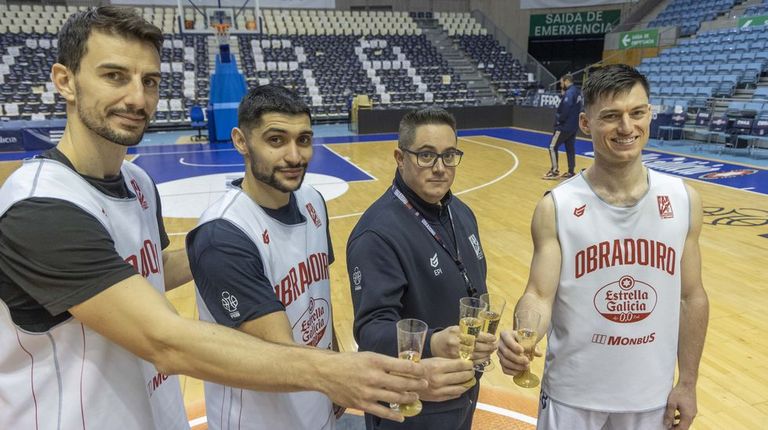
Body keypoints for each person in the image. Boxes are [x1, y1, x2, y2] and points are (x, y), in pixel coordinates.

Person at [0, 7, 425, 430]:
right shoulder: (41, 207)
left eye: (149, 81)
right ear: (65, 81)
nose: (137, 98)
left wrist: (233, 238)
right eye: (114, 76)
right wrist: (333, 372)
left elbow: (149, 270)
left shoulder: (137, 182)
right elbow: (165, 340)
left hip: (155, 414)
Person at [498, 64, 709, 430]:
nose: (627, 127)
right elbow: (539, 295)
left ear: (649, 114)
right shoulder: (557, 207)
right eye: (611, 116)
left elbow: (692, 297)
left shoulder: (683, 200)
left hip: (651, 396)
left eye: (637, 113)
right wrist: (523, 336)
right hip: (572, 394)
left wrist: (688, 383)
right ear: (585, 123)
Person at [186, 85, 341, 429]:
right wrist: (348, 377)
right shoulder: (223, 234)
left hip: (316, 394)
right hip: (261, 418)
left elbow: (319, 297)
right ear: (241, 141)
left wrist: (336, 357)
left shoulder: (313, 200)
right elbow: (279, 354)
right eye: (276, 140)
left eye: (303, 140)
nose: (294, 156)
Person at [347, 107, 496, 430]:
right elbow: (371, 333)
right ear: (400, 158)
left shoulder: (461, 212)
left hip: (462, 388)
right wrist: (433, 343)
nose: (440, 168)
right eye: (426, 156)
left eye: (449, 155)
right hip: (411, 405)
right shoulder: (376, 235)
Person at [543, 73, 582, 180]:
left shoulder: (569, 93)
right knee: (570, 148)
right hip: (573, 126)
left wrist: (559, 121)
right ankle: (571, 171)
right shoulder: (577, 91)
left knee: (552, 147)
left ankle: (554, 171)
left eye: (561, 83)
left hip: (564, 126)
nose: (561, 85)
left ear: (566, 81)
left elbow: (565, 109)